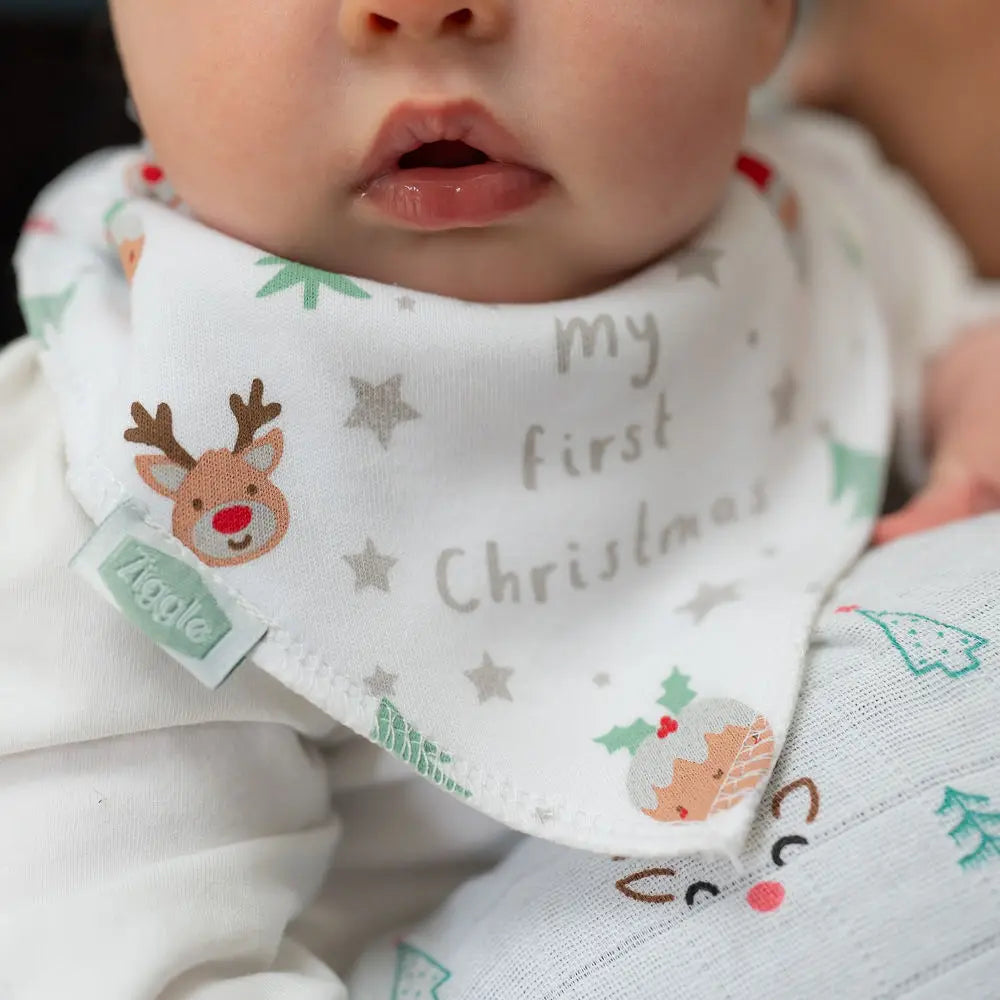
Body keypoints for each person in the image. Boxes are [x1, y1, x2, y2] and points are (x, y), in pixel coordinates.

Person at [2, 1, 998, 997]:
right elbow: (127, 961)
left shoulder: (803, 226)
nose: (423, 9)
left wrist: (973, 406)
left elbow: (946, 327)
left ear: (766, 19)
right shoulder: (104, 495)